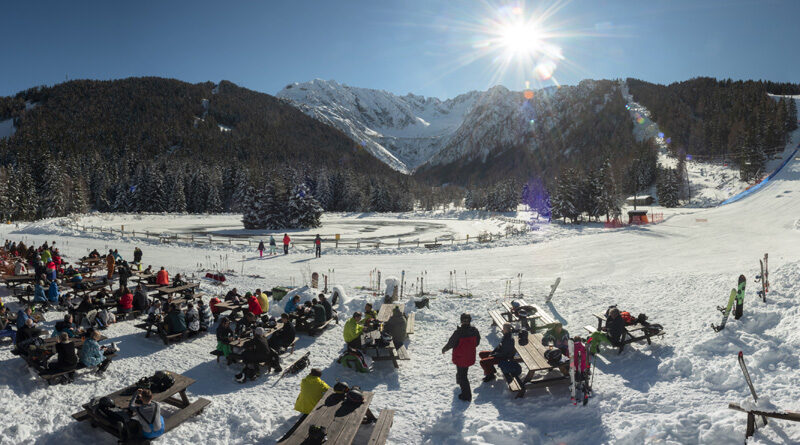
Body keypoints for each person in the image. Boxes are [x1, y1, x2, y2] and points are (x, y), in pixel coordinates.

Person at [442, 313, 481, 402]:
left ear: (461, 321)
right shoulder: (475, 331)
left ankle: (466, 396)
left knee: (463, 375)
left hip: (460, 357)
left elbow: (451, 343)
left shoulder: (458, 333)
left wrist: (445, 349)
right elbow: (477, 343)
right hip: (469, 356)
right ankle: (460, 381)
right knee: (463, 371)